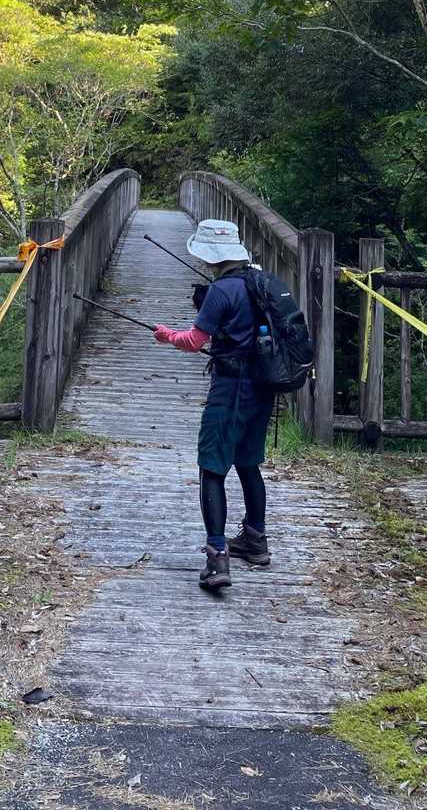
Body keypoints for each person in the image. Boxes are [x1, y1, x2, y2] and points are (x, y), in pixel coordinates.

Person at [152, 219, 275, 592]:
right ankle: (256, 541)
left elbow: (194, 341)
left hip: (230, 387)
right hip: (263, 385)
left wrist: (166, 335)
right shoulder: (261, 281)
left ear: (209, 255)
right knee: (248, 462)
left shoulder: (221, 291)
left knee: (212, 467)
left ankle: (217, 557)